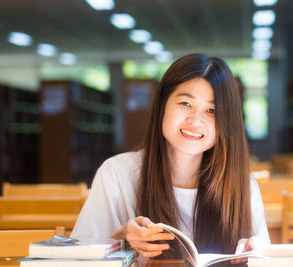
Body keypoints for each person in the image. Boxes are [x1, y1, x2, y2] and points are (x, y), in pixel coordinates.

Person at [71, 53, 270, 260]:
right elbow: (79, 258)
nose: (195, 120)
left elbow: (265, 256)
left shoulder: (242, 185)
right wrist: (122, 240)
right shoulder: (117, 174)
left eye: (212, 110)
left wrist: (258, 254)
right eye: (185, 104)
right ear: (162, 104)